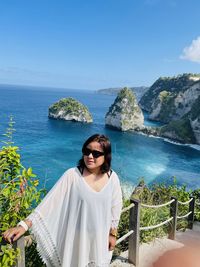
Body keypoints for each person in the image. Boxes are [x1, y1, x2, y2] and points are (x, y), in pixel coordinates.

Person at [3, 134, 123, 267]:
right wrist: (23, 226)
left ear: (106, 156)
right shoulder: (72, 175)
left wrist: (112, 234)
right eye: (86, 151)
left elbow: (115, 207)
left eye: (96, 153)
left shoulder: (112, 178)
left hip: (99, 240)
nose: (89, 156)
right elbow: (49, 203)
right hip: (76, 241)